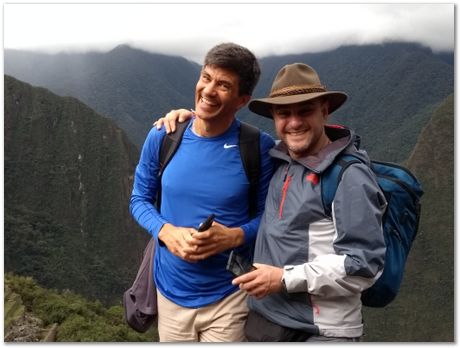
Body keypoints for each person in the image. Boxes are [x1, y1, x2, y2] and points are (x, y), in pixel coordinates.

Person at [156, 62, 387, 342]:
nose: (294, 122)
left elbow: (365, 266)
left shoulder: (348, 177)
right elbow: (214, 134)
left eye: (305, 111)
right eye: (283, 113)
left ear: (324, 111)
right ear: (274, 118)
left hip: (318, 331)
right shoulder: (279, 160)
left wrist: (282, 279)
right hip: (266, 323)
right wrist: (193, 118)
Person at [129, 42, 275, 342]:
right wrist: (165, 231)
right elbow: (139, 199)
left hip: (229, 294)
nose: (208, 90)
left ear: (242, 99)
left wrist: (235, 235)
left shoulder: (257, 148)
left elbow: (269, 216)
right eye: (206, 77)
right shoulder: (164, 135)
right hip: (169, 292)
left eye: (223, 85)